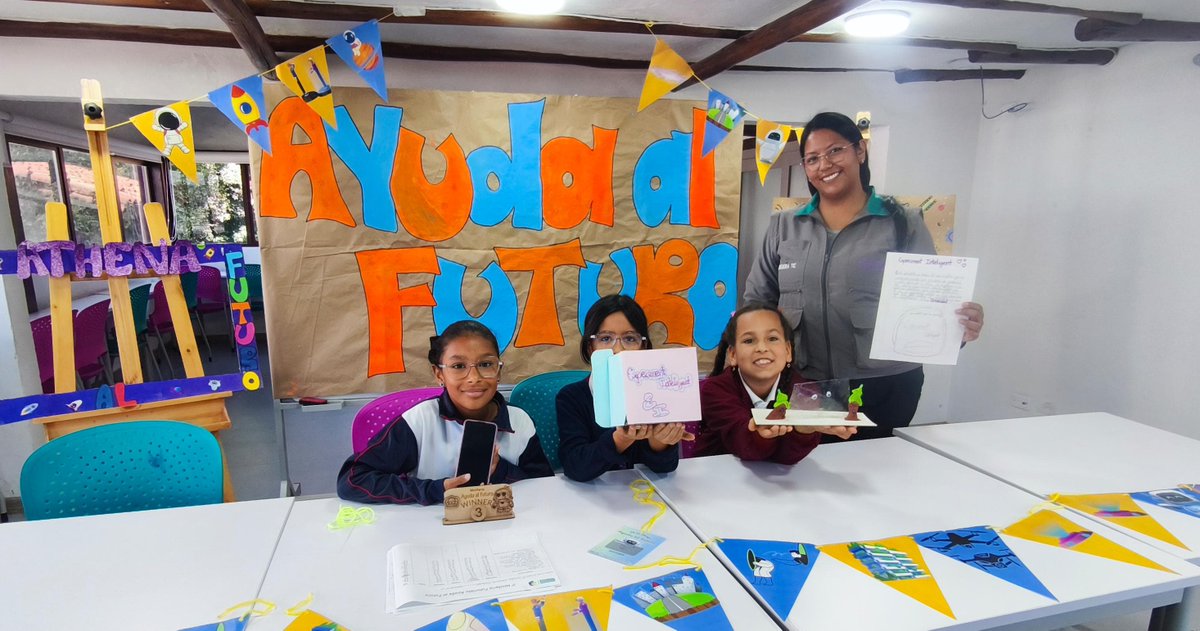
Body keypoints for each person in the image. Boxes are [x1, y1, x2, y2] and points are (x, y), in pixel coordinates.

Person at [744, 112, 984, 439]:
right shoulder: (784, 226)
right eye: (812, 159)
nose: (824, 165)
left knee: (874, 470)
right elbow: (757, 303)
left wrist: (958, 328)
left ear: (859, 151)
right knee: (805, 468)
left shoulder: (903, 223)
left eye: (834, 151)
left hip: (886, 384)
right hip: (804, 381)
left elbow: (931, 303)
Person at [336, 320, 551, 505]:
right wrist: (436, 490)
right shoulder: (420, 421)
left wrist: (501, 470)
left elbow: (544, 485)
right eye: (458, 366)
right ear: (439, 374)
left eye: (486, 364)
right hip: (435, 532)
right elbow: (352, 480)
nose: (473, 377)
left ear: (499, 371)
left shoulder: (520, 421)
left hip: (505, 531)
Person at [556, 295, 692, 482]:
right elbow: (576, 466)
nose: (618, 349)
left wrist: (660, 442)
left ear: (643, 346)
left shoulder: (659, 393)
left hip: (648, 496)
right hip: (592, 499)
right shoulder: (571, 397)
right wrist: (620, 439)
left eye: (629, 339)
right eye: (605, 338)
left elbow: (665, 468)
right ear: (590, 347)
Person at [696, 303, 854, 462]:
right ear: (733, 354)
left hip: (778, 482)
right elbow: (744, 446)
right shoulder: (714, 390)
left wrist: (803, 430)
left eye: (772, 338)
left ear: (788, 351)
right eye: (749, 340)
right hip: (720, 477)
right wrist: (760, 434)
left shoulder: (804, 393)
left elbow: (787, 458)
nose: (762, 348)